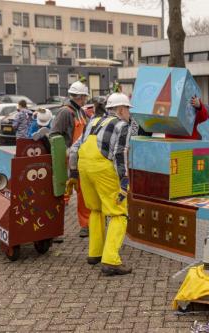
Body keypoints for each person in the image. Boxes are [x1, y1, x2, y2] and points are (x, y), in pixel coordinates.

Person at [69, 92, 133, 276]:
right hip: (103, 169)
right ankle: (111, 261)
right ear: (121, 109)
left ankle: (95, 254)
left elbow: (75, 148)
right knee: (118, 213)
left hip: (84, 167)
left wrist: (73, 172)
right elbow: (120, 154)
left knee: (96, 210)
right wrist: (124, 181)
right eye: (128, 109)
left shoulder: (93, 121)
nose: (129, 113)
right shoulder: (122, 125)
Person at [50, 80, 91, 239]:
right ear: (79, 97)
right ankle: (53, 229)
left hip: (80, 159)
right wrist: (67, 152)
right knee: (60, 195)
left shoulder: (81, 112)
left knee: (83, 194)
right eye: (84, 97)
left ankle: (85, 225)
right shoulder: (65, 112)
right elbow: (54, 135)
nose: (85, 100)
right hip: (67, 160)